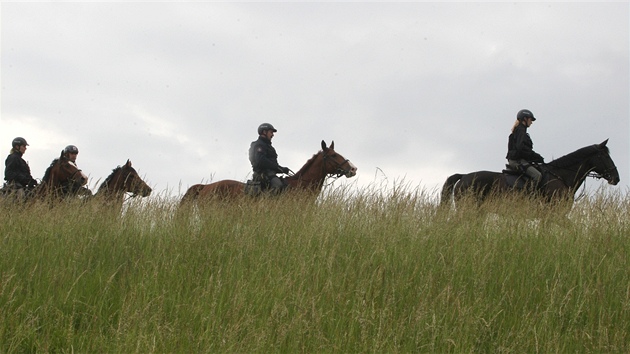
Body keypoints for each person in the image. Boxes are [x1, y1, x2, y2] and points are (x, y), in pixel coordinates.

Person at [249, 123, 291, 194]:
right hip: (262, 174)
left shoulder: (267, 146)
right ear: (264, 132)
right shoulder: (259, 145)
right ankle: (267, 201)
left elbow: (271, 164)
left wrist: (281, 169)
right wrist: (278, 167)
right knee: (278, 185)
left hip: (270, 174)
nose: (272, 135)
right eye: (271, 132)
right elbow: (261, 161)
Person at [506, 109, 544, 186]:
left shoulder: (519, 131)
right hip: (517, 161)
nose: (532, 122)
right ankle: (531, 196)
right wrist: (536, 156)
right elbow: (521, 148)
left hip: (519, 159)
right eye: (530, 119)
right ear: (525, 119)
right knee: (537, 176)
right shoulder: (520, 131)